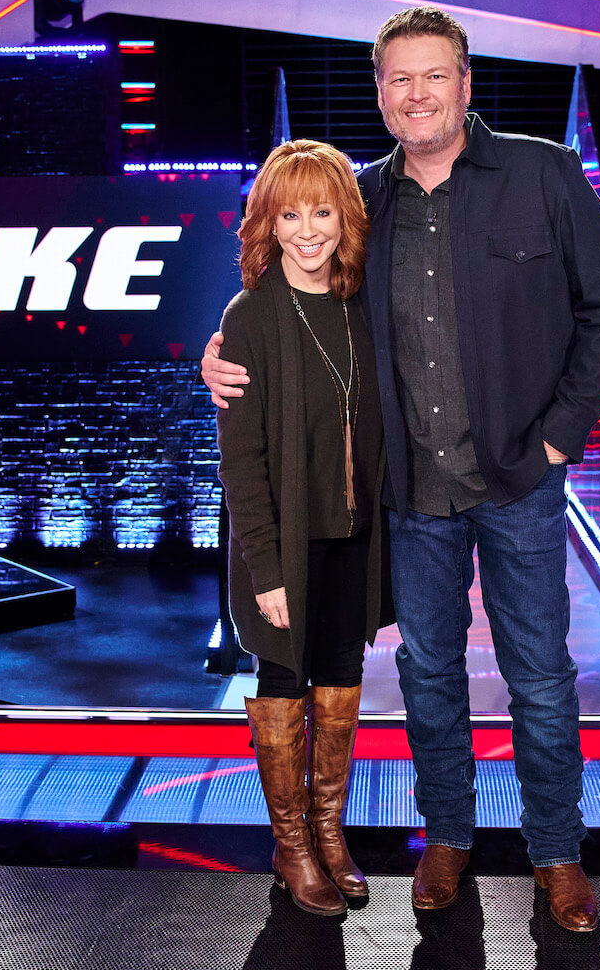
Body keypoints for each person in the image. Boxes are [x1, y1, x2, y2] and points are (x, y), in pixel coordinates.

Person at [206, 7, 600, 933]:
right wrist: (224, 348)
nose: (417, 94)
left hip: (519, 481)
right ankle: (447, 839)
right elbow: (299, 300)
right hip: (409, 494)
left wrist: (559, 438)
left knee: (540, 679)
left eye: (434, 75)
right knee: (430, 676)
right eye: (399, 79)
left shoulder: (544, 173)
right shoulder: (363, 199)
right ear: (379, 93)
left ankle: (557, 853)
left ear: (466, 82)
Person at [217, 139, 389, 917]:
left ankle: (328, 833)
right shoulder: (250, 316)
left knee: (342, 678)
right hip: (284, 548)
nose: (308, 230)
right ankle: (291, 848)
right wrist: (266, 568)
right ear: (269, 223)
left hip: (355, 537)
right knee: (284, 681)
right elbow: (241, 460)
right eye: (290, 215)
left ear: (345, 218)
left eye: (322, 212)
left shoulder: (363, 306)